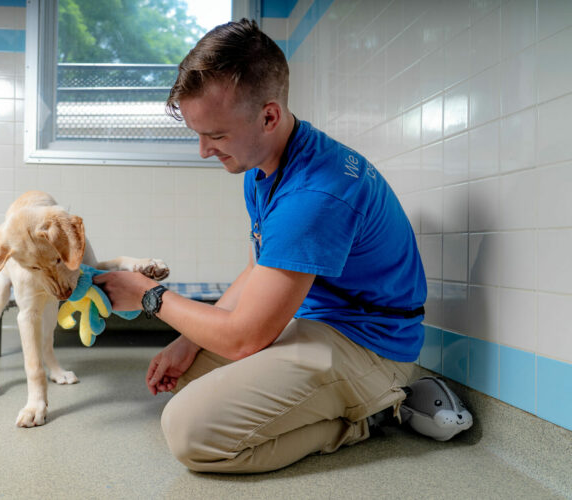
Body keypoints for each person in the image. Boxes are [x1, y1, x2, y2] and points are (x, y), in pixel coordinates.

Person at [94, 18, 427, 473]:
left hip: (368, 345)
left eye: (216, 135)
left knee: (191, 433)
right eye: (198, 133)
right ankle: (332, 404)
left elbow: (246, 337)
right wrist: (188, 340)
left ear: (268, 116)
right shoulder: (263, 165)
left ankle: (367, 416)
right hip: (314, 324)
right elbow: (260, 270)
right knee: (186, 374)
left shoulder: (313, 195)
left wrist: (149, 296)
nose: (203, 151)